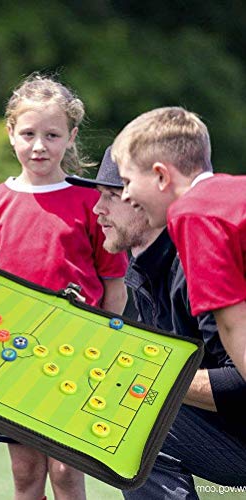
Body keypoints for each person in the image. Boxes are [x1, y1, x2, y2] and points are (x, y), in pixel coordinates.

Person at [0, 74, 129, 500]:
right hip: (12, 359)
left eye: (52, 134)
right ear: (10, 134)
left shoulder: (90, 202)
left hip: (76, 356)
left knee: (65, 472)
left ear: (71, 136)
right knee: (25, 474)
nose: (39, 145)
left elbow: (115, 287)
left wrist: (104, 343)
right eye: (28, 134)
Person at [67, 146, 246, 499]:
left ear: (145, 197)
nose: (97, 210)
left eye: (111, 196)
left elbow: (241, 381)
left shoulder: (197, 259)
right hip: (230, 433)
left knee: (127, 405)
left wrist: (141, 375)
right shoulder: (146, 264)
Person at [110, 107, 246, 379]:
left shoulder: (194, 212)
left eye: (127, 182)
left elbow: (233, 328)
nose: (125, 196)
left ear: (161, 175)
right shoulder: (233, 192)